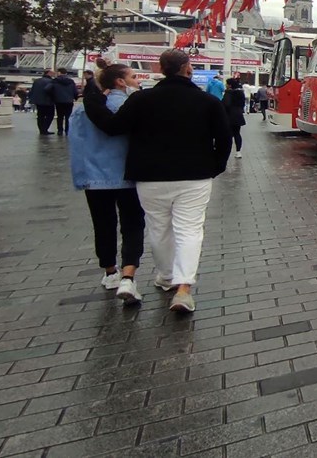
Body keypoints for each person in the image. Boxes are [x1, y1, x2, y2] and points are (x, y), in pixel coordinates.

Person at [83, 49, 231, 314]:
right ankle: (183, 288)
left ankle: (165, 277)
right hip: (195, 175)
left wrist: (91, 100)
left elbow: (113, 126)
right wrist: (215, 167)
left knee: (159, 228)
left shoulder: (142, 99)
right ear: (188, 69)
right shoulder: (207, 101)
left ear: (161, 69)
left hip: (150, 176)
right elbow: (223, 138)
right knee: (189, 231)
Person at [69, 60, 146, 305]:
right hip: (129, 177)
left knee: (103, 224)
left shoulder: (82, 109)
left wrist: (81, 177)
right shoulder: (133, 106)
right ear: (120, 82)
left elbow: (77, 146)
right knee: (133, 225)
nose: (138, 81)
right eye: (134, 77)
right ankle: (128, 275)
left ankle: (110, 271)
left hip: (95, 178)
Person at [223, 78, 246, 158]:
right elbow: (243, 104)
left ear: (229, 85)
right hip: (238, 115)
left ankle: (226, 151)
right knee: (237, 133)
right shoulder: (241, 93)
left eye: (226, 84)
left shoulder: (228, 93)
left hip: (229, 116)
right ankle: (238, 151)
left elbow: (226, 104)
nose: (225, 85)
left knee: (228, 135)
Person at [51, 68, 79, 136]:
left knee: (60, 116)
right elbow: (75, 91)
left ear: (59, 73)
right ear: (66, 73)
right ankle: (67, 130)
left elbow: (49, 89)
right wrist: (75, 98)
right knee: (68, 116)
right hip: (69, 101)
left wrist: (53, 97)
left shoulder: (55, 81)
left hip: (59, 101)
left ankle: (60, 130)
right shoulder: (71, 81)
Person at [28, 69, 56, 135]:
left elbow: (32, 91)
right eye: (53, 73)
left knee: (40, 116)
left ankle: (41, 130)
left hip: (39, 102)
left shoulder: (37, 81)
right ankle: (45, 129)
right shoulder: (51, 81)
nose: (54, 75)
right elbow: (52, 91)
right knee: (50, 116)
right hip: (49, 101)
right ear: (49, 73)